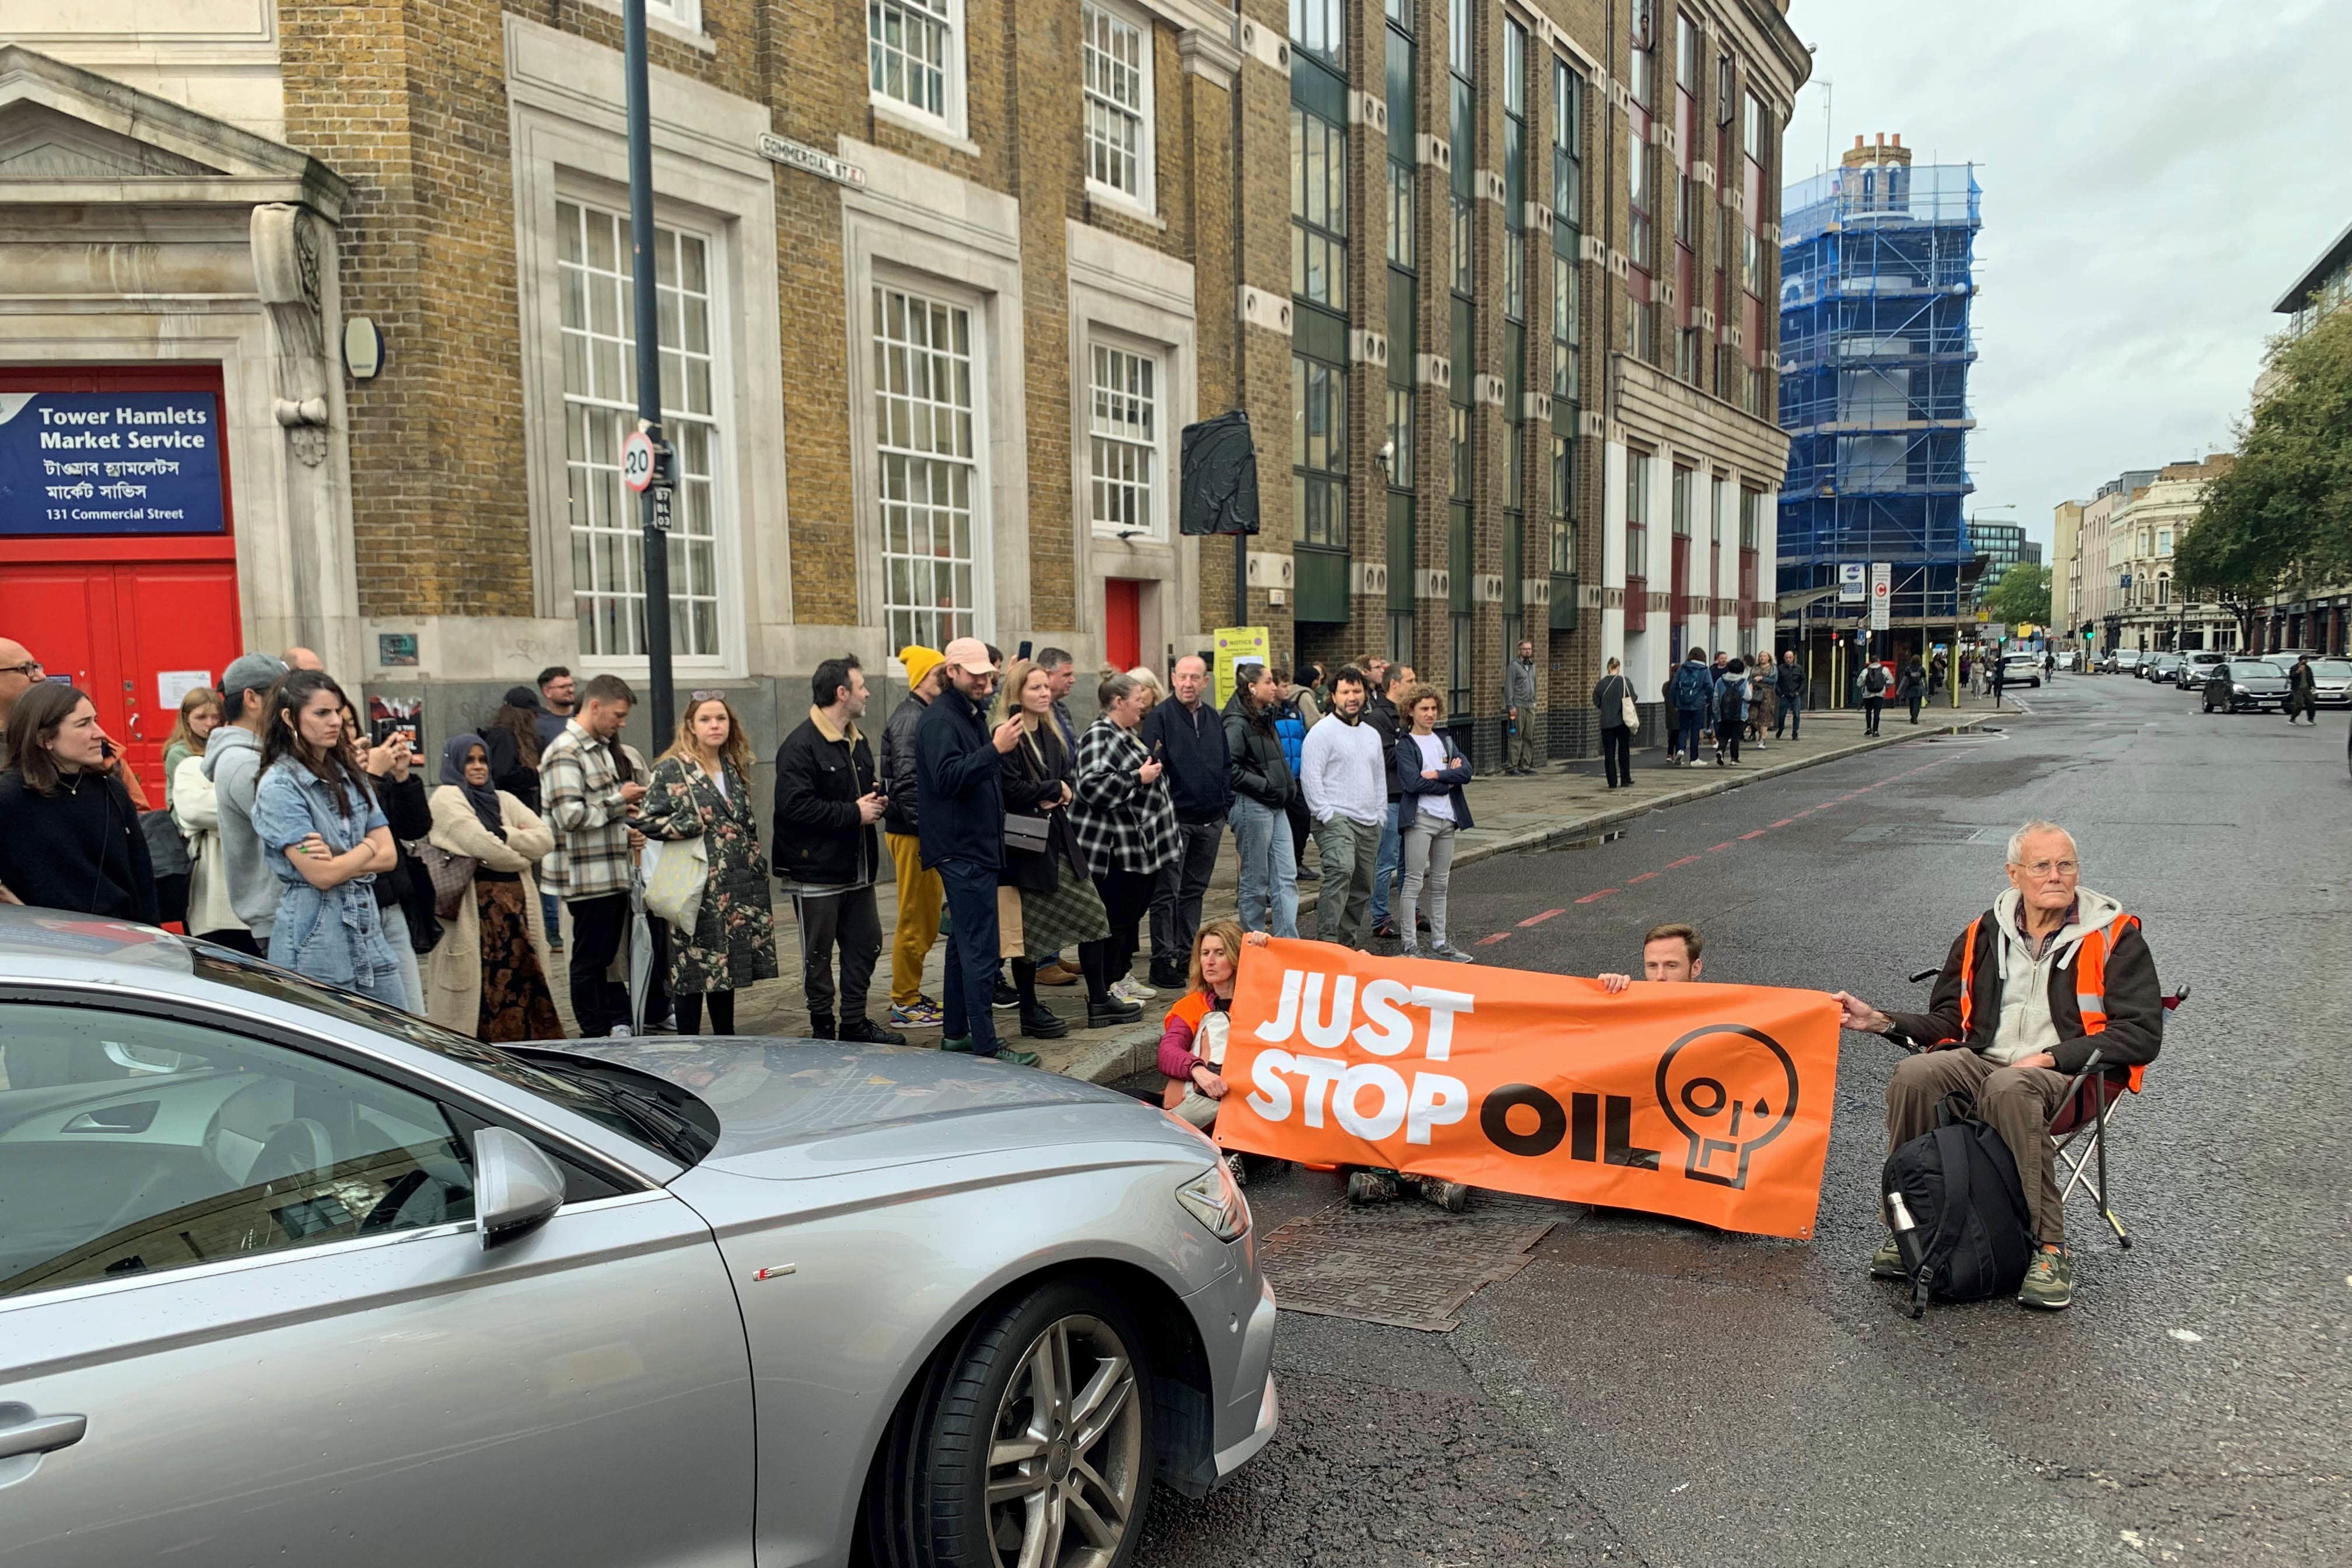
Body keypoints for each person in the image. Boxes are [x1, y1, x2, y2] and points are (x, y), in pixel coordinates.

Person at [1831, 821, 2161, 1311]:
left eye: (2065, 865)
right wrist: (1878, 1021)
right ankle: (1911, 1226)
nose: (2056, 876)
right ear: (2014, 875)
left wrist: (2051, 1057)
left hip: (2072, 1078)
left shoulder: (2117, 937)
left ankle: (2051, 1249)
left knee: (2010, 1086)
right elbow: (1948, 1020)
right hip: (1986, 1065)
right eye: (2041, 866)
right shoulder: (1982, 933)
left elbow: (2141, 1033)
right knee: (1916, 1077)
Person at [624, 694, 775, 1037]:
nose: (715, 726)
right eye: (706, 719)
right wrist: (686, 826)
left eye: (721, 719)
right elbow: (645, 820)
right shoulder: (673, 769)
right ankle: (688, 1046)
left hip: (734, 888)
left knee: (727, 972)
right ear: (691, 726)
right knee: (691, 972)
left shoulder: (733, 767)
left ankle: (726, 1042)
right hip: (695, 887)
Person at [250, 671, 405, 1005]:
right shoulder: (280, 785)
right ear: (290, 717)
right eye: (322, 713)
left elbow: (390, 855)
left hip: (366, 925)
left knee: (398, 1037)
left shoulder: (350, 776)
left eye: (337, 712)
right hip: (315, 935)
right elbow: (322, 875)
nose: (334, 722)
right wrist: (365, 847)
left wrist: (340, 857)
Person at [917, 638, 1035, 1066]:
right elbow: (947, 778)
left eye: (988, 674)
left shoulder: (966, 712)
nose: (984, 681)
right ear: (952, 672)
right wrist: (995, 749)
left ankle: (956, 1036)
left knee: (961, 947)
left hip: (974, 847)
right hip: (962, 850)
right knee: (980, 950)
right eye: (975, 675)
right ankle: (986, 1045)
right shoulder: (941, 720)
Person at [773, 659, 900, 1045]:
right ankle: (823, 1029)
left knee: (866, 944)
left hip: (857, 870)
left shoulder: (856, 740)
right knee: (818, 956)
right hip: (816, 873)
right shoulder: (800, 745)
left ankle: (855, 1024)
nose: (867, 693)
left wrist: (878, 802)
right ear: (841, 693)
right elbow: (793, 807)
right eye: (861, 686)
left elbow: (858, 795)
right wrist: (853, 813)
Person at [994, 659, 1121, 1038]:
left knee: (1095, 916)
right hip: (1024, 845)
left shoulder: (1050, 732)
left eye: (1046, 687)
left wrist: (1059, 789)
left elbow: (1066, 776)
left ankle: (1099, 998)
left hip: (1060, 838)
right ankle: (1029, 1010)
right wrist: (1052, 791)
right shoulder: (1007, 734)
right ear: (1017, 693)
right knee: (1028, 935)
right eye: (1035, 688)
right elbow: (1010, 789)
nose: (1044, 693)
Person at [423, 733, 561, 1042]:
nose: (478, 767)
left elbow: (546, 840)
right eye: (469, 760)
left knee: (524, 993)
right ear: (455, 764)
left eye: (483, 759)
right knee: (477, 1003)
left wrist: (502, 833)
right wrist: (521, 855)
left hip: (517, 919)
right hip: (476, 920)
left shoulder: (505, 800)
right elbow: (481, 845)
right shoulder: (446, 797)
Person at [541, 673, 649, 1038]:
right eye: (618, 715)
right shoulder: (565, 751)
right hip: (587, 878)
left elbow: (600, 811)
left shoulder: (598, 748)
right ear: (595, 706)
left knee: (603, 960)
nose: (622, 723)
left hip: (609, 872)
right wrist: (621, 801)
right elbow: (569, 816)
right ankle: (592, 1033)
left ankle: (606, 1028)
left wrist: (626, 816)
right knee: (589, 960)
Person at [0, 681, 158, 922]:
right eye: (84, 724)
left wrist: (152, 937)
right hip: (47, 948)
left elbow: (141, 874)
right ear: (44, 739)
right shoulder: (9, 796)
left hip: (121, 939)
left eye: (95, 720)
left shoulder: (111, 789)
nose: (100, 733)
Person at [1070, 671, 1176, 1024]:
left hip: (1135, 846)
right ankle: (1105, 990)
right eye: (1137, 700)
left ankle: (1117, 980)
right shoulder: (1100, 735)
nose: (1142, 706)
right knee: (1111, 921)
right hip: (1110, 850)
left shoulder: (1124, 733)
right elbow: (1091, 787)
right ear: (1118, 702)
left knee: (1127, 919)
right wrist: (1137, 778)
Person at [1156, 921, 1272, 1188]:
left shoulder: (1266, 1001)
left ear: (1235, 957)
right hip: (1205, 1097)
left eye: (1220, 953)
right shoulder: (1192, 1005)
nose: (1210, 961)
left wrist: (1264, 956)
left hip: (1250, 1100)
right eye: (1205, 953)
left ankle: (1217, 1154)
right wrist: (1199, 1070)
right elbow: (1168, 1051)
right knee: (1126, 1102)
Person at [338, 694, 433, 1015]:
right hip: (353, 907)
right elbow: (348, 833)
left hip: (391, 903)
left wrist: (402, 777)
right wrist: (370, 779)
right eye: (337, 723)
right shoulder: (329, 778)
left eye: (350, 724)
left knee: (412, 1011)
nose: (346, 732)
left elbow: (415, 827)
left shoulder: (373, 773)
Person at [1142, 653, 1231, 989]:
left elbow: (1225, 763)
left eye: (1195, 678)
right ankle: (1161, 960)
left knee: (1194, 891)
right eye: (1183, 677)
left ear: (1205, 682)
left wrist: (1225, 806)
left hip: (1210, 821)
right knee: (1167, 891)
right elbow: (1152, 765)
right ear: (1173, 678)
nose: (1188, 683)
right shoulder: (1160, 718)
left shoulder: (1212, 717)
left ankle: (1186, 954)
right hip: (1175, 820)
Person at [202, 652, 290, 952]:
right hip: (281, 918)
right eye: (283, 695)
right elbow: (299, 827)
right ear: (252, 699)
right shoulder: (242, 763)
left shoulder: (266, 754)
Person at [880, 644, 948, 1026]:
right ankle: (905, 1001)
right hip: (913, 833)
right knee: (916, 916)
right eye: (942, 671)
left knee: (923, 915)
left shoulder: (920, 713)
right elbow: (908, 781)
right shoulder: (911, 718)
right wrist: (928, 831)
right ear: (926, 677)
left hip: (917, 830)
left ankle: (910, 995)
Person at [1300, 666, 1385, 947]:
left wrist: (1381, 815)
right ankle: (1326, 943)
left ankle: (1345, 945)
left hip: (1369, 821)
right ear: (1333, 696)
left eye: (1357, 691)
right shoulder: (1322, 732)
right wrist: (1326, 814)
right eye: (1346, 692)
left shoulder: (1371, 734)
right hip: (1335, 818)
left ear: (1365, 695)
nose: (1352, 697)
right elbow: (1310, 777)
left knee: (1363, 887)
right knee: (1340, 870)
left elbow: (1378, 779)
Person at [1392, 682, 1475, 963]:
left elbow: (1466, 771)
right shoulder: (1406, 745)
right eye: (1423, 709)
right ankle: (1410, 946)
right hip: (1421, 820)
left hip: (1448, 820)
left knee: (1441, 884)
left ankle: (1441, 943)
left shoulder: (1446, 741)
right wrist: (1449, 782)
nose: (1430, 714)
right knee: (1413, 883)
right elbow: (1412, 783)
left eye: (1433, 708)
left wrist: (1438, 776)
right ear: (1411, 712)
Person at [1224, 662, 1299, 938]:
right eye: (1268, 681)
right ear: (1252, 687)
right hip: (1252, 805)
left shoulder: (1264, 716)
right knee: (1256, 882)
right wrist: (1266, 786)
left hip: (1275, 805)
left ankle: (1288, 944)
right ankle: (1253, 944)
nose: (1275, 687)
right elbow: (1229, 768)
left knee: (1286, 877)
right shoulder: (1237, 721)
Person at [1366, 662, 1420, 940]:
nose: (1415, 685)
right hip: (1390, 796)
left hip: (1410, 794)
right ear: (1394, 684)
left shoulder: (1408, 715)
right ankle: (1380, 917)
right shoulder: (1378, 718)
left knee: (1409, 862)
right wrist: (1407, 740)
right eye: (1410, 681)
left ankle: (1412, 912)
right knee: (1386, 860)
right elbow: (1385, 759)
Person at [1270, 668, 1317, 886]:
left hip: (1296, 776)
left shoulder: (1294, 710)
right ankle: (1280, 868)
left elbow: (1305, 737)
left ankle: (1296, 862)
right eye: (1283, 686)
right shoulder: (1268, 714)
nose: (1287, 690)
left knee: (1303, 819)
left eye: (1288, 685)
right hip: (1277, 779)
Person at [160, 686, 222, 804]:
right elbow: (198, 797)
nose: (210, 723)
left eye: (216, 717)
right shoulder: (178, 753)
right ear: (186, 718)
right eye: (201, 717)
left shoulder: (224, 744)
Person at [1599, 923, 1705, 991]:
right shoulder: (1631, 1006)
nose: (1660, 977)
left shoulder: (1713, 1010)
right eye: (1652, 966)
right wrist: (1604, 993)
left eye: (1671, 966)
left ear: (1695, 968)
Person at [1592, 656, 1634, 789]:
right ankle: (1625, 779)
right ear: (1618, 667)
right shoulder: (1624, 681)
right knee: (1624, 751)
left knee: (1609, 753)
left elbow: (1596, 700)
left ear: (1608, 667)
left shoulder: (1601, 684)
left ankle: (1612, 782)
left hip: (1606, 723)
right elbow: (1633, 697)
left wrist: (1605, 708)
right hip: (1622, 722)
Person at [1502, 640, 1541, 775]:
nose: (1528, 651)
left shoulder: (1533, 666)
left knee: (1528, 736)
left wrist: (1534, 700)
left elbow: (1535, 684)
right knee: (1516, 736)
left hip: (1530, 705)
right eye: (1525, 649)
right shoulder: (1514, 666)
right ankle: (1512, 766)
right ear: (1519, 650)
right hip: (1517, 706)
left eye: (1529, 649)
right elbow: (1509, 686)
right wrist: (1510, 705)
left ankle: (1525, 765)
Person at [1671, 648, 1712, 767]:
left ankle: (1680, 750)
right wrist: (1707, 700)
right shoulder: (1704, 670)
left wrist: (1675, 702)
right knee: (1695, 731)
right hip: (1698, 704)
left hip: (1683, 704)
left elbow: (1674, 686)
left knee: (1683, 729)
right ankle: (1694, 758)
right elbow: (1709, 686)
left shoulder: (1682, 668)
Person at [1713, 657, 1748, 766]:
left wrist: (1716, 712)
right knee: (1735, 736)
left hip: (1723, 713)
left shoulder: (1720, 680)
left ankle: (1721, 750)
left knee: (1724, 734)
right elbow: (1748, 696)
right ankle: (1734, 758)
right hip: (1739, 714)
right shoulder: (1743, 682)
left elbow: (1716, 697)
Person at [534, 666, 576, 750]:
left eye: (571, 685)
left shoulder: (583, 716)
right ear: (547, 692)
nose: (571, 690)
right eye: (563, 687)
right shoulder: (538, 725)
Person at [1774, 649, 1807, 740]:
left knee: (1796, 714)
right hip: (1785, 694)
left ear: (1793, 658)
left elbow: (1803, 681)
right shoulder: (1780, 669)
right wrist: (1780, 693)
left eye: (1790, 658)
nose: (1788, 660)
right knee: (1782, 715)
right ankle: (1781, 729)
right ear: (1784, 659)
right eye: (1787, 658)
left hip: (1795, 695)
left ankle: (1795, 733)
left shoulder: (1798, 668)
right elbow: (1777, 682)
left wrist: (1799, 692)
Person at [1860, 657, 1889, 735]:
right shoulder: (1884, 670)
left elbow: (1859, 683)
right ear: (1878, 661)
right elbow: (1890, 681)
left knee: (1868, 712)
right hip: (1879, 694)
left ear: (1870, 662)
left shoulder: (1865, 671)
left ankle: (1869, 729)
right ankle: (1875, 731)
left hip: (1868, 694)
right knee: (1877, 712)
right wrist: (1885, 688)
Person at [2287, 654, 2319, 724]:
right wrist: (2298, 672)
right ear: (2300, 660)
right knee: (2299, 704)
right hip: (2297, 688)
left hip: (2307, 688)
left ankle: (2310, 719)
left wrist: (2313, 686)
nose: (2306, 661)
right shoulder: (2294, 667)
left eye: (2307, 660)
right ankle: (2292, 719)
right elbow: (2291, 676)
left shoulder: (2308, 668)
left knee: (2311, 703)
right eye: (2305, 660)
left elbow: (2311, 678)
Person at [1898, 654, 1927, 725]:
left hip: (1910, 688)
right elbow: (1924, 680)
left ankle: (1912, 715)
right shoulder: (1921, 669)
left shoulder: (1908, 669)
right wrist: (1926, 688)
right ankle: (1915, 716)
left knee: (1911, 703)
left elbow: (1904, 680)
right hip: (1919, 688)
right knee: (1917, 704)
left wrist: (1899, 690)